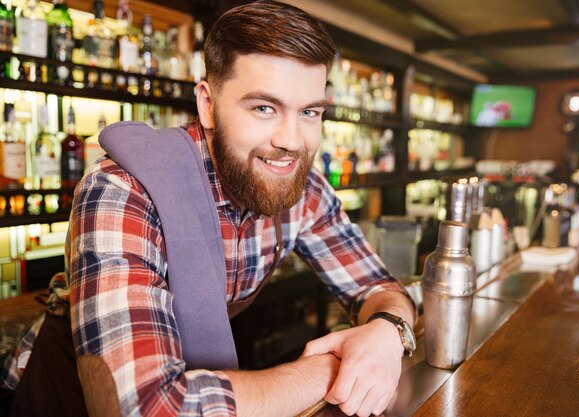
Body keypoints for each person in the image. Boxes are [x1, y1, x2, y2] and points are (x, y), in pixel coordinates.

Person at [66, 1, 416, 417]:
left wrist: (386, 331)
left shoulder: (300, 186)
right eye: (264, 108)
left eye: (309, 112)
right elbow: (147, 408)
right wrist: (338, 367)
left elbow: (378, 287)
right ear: (207, 105)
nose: (291, 140)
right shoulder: (124, 189)